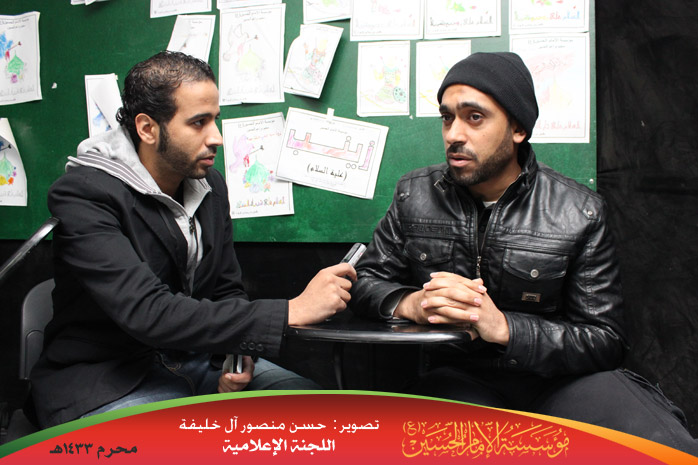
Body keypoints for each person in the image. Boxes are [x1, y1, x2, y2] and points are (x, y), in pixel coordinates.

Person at [350, 52, 698, 454]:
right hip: (459, 379)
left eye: (474, 117)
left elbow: (605, 339)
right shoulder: (415, 195)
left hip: (561, 381)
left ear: (517, 128)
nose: (454, 134)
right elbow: (365, 282)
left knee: (664, 448)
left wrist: (505, 328)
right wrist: (412, 303)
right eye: (447, 118)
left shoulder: (578, 211)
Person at [31, 51, 356, 429]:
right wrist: (290, 312)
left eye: (214, 119)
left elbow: (226, 289)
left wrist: (237, 357)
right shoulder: (83, 194)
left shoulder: (209, 184)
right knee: (192, 446)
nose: (216, 137)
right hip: (106, 380)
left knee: (323, 417)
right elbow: (147, 312)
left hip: (198, 362)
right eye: (198, 122)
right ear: (147, 128)